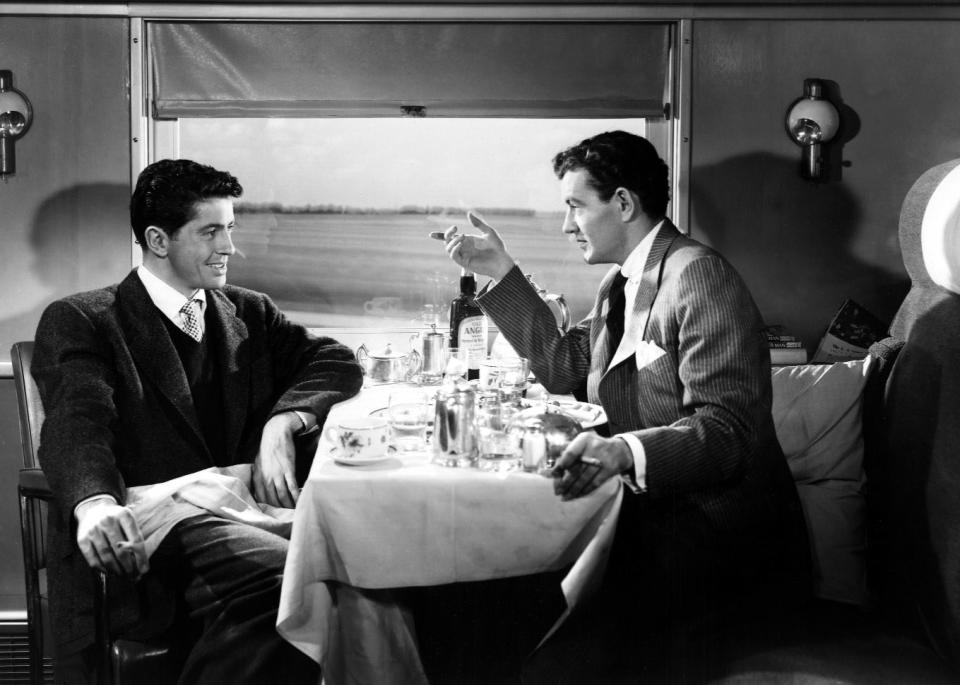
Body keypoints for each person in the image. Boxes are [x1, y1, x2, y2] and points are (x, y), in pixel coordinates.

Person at [437, 131, 810, 681]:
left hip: (715, 539)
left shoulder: (699, 275)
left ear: (625, 203)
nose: (566, 226)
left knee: (548, 647)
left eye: (575, 207)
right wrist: (500, 270)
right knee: (495, 589)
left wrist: (619, 451)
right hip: (654, 514)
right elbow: (566, 364)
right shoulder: (623, 282)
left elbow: (728, 431)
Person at [32, 159, 364, 683]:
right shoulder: (87, 319)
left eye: (230, 228)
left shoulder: (249, 311)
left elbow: (337, 360)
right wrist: (94, 502)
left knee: (360, 567)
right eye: (210, 231)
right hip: (147, 532)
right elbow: (78, 419)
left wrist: (285, 422)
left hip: (239, 514)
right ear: (158, 240)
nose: (230, 247)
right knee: (296, 577)